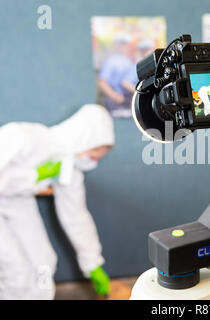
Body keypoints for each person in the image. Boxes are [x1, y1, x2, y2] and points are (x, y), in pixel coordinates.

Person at [0, 104, 115, 299]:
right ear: (83, 138)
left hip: (18, 203)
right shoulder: (25, 136)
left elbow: (75, 217)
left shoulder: (69, 168)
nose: (92, 162)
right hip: (8, 200)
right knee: (15, 270)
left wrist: (93, 263)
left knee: (44, 262)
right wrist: (32, 176)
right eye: (93, 154)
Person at [98, 33, 138, 118]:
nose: (124, 46)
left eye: (126, 44)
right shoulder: (111, 61)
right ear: (116, 45)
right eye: (121, 43)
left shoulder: (129, 61)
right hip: (115, 102)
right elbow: (102, 82)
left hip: (128, 99)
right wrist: (114, 96)